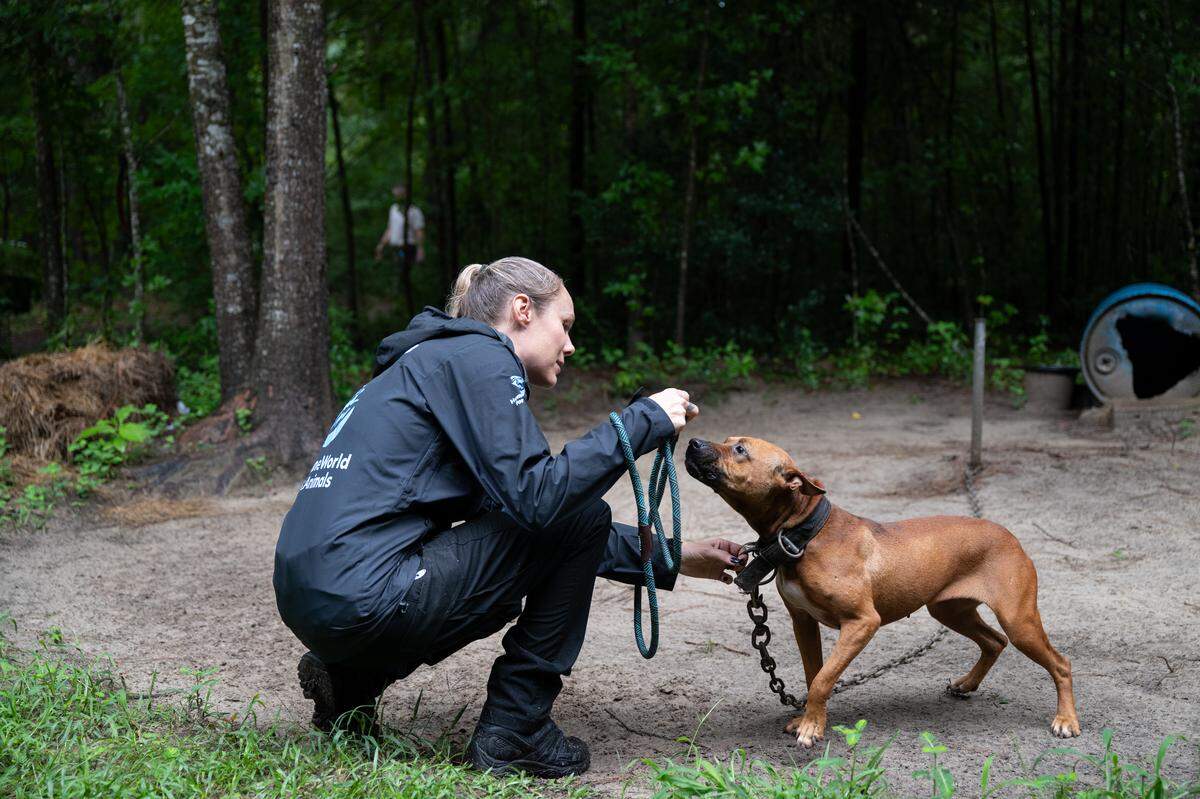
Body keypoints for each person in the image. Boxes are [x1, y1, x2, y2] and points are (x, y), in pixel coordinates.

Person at [273, 257, 746, 778]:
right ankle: (515, 729)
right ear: (522, 310)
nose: (570, 346)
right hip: (365, 592)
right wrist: (641, 422)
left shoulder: (431, 364)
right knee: (578, 514)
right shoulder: (479, 354)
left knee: (561, 526)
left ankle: (347, 684)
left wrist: (673, 557)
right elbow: (544, 502)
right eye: (564, 325)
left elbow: (527, 523)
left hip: (311, 596)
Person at [373, 183, 425, 281]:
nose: (396, 196)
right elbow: (390, 229)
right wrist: (381, 245)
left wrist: (420, 249)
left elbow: (419, 231)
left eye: (398, 194)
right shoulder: (393, 209)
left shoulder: (414, 211)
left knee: (406, 275)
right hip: (395, 248)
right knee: (396, 274)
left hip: (409, 248)